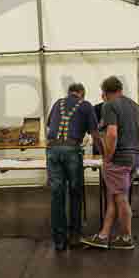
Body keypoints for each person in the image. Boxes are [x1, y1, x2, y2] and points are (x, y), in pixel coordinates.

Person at [82, 76, 139, 250]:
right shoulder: (134, 105)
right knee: (114, 197)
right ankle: (103, 235)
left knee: (121, 198)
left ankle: (126, 238)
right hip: (134, 157)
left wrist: (108, 156)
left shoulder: (110, 105)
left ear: (104, 94)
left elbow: (112, 133)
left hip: (119, 158)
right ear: (120, 89)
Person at [45, 83, 99, 251]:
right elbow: (95, 134)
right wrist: (104, 154)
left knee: (57, 195)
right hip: (72, 151)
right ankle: (74, 236)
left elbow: (49, 127)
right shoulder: (86, 105)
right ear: (82, 93)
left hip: (52, 150)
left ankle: (59, 241)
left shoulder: (57, 103)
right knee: (75, 193)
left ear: (69, 93)